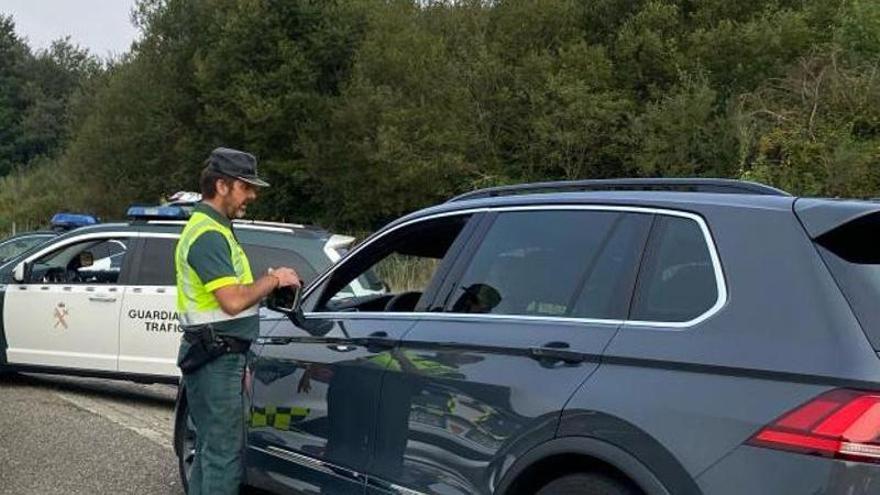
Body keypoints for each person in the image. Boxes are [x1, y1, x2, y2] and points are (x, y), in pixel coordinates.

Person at [175, 147, 300, 495]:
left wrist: (239, 356)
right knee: (223, 456)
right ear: (222, 185)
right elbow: (232, 301)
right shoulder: (209, 235)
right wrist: (275, 279)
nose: (253, 195)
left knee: (210, 453)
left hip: (219, 355)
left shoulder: (213, 229)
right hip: (216, 359)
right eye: (246, 187)